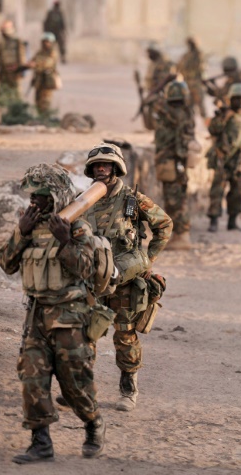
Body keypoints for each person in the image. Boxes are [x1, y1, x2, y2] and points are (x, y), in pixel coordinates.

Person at [0, 163, 105, 463]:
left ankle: (94, 424)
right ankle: (40, 442)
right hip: (36, 319)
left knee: (74, 385)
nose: (34, 201)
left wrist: (65, 240)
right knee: (32, 378)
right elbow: (7, 265)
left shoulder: (77, 226)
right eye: (32, 195)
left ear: (55, 196)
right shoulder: (29, 227)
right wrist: (21, 233)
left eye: (41, 196)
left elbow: (85, 268)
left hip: (70, 319)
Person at [83, 143, 172, 411]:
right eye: (97, 165)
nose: (101, 168)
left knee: (125, 334)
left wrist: (148, 259)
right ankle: (82, 389)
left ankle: (128, 387)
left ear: (116, 168)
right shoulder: (84, 200)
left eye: (106, 165)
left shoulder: (133, 200)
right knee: (86, 334)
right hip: (94, 277)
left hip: (125, 278)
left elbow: (164, 225)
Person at [154, 81, 195, 250]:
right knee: (176, 198)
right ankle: (179, 235)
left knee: (175, 199)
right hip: (176, 162)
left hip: (173, 162)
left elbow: (176, 141)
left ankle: (182, 236)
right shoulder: (185, 114)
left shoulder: (174, 115)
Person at [206, 83, 241, 232]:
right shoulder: (224, 114)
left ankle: (232, 221)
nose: (240, 102)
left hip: (238, 159)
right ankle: (214, 220)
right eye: (237, 98)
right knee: (217, 190)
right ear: (231, 98)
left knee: (237, 192)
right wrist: (222, 116)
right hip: (223, 158)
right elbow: (213, 129)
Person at [28, 32, 60, 118]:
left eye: (48, 42)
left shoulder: (52, 52)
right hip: (38, 81)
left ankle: (45, 119)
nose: (46, 43)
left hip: (47, 81)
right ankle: (41, 118)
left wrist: (36, 64)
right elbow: (32, 60)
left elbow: (48, 63)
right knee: (37, 102)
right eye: (44, 41)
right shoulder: (40, 52)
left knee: (45, 102)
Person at [177, 36, 208, 120]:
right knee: (188, 105)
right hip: (187, 83)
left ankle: (207, 125)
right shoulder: (186, 56)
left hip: (196, 83)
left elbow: (202, 69)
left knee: (200, 105)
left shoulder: (199, 55)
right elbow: (178, 68)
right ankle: (189, 124)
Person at [0, 19, 26, 101]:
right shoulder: (1, 43)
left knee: (16, 94)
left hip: (15, 71)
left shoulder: (17, 41)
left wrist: (21, 70)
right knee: (4, 92)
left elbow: (21, 57)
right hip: (4, 72)